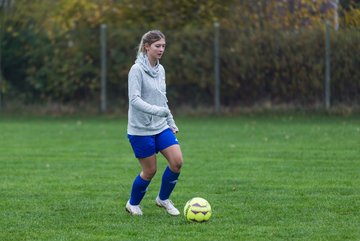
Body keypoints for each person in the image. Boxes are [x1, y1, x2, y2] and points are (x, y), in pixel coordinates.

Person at [125, 30, 184, 216]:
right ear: (147, 47)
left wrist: (170, 121)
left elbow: (162, 99)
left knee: (177, 162)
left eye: (163, 46)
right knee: (150, 171)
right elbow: (134, 100)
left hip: (160, 126)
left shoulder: (161, 69)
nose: (161, 49)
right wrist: (157, 111)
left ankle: (163, 199)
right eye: (157, 46)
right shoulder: (136, 70)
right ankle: (132, 204)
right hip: (140, 129)